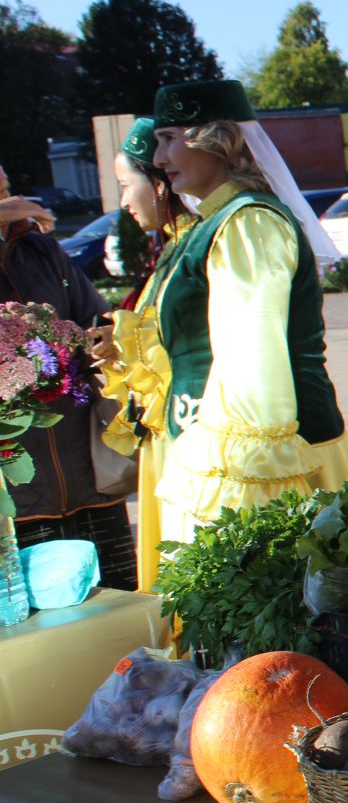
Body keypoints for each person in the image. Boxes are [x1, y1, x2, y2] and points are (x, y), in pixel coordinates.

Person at [130, 79, 348, 556]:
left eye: (168, 138)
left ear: (216, 139)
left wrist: (249, 476)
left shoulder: (249, 222)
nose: (157, 159)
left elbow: (253, 360)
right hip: (211, 452)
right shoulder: (214, 224)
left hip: (265, 460)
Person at [0, 163, 139, 591]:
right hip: (20, 481)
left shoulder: (42, 250)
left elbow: (89, 317)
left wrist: (99, 339)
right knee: (43, 607)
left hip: (87, 465)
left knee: (117, 594)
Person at [91, 118, 200, 588]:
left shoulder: (196, 249)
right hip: (165, 438)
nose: (122, 202)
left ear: (158, 183)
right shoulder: (172, 250)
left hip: (188, 433)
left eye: (124, 185)